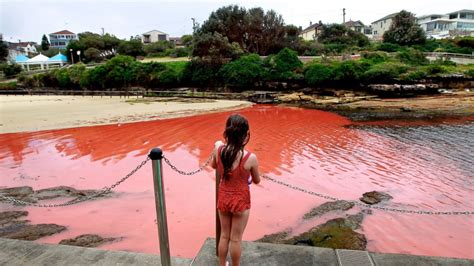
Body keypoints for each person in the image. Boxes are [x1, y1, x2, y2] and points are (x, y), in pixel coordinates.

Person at [211, 114, 260, 266]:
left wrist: (217, 145)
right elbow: (257, 180)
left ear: (227, 132)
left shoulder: (219, 150)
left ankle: (221, 264)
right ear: (245, 135)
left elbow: (213, 166)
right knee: (236, 238)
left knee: (224, 236)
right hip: (240, 201)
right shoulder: (251, 158)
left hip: (223, 198)